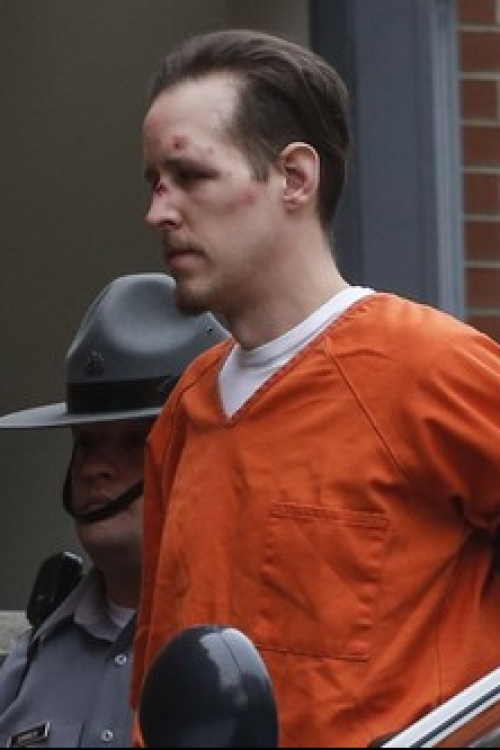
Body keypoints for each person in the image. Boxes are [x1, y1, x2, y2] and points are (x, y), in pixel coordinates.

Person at [128, 28, 500, 748]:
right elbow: (157, 686)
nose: (159, 212)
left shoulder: (427, 369)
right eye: (154, 182)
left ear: (295, 177)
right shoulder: (186, 409)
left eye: (191, 176)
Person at [0, 272, 228, 748]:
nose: (95, 468)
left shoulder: (259, 644)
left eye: (134, 442)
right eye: (86, 443)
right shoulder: (28, 664)